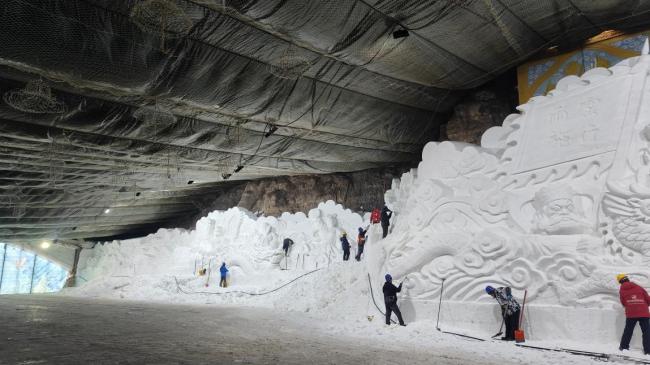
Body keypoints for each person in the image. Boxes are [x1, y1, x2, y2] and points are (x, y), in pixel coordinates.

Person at [617, 274, 650, 354]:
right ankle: (648, 351)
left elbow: (623, 303)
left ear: (620, 282)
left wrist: (631, 305)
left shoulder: (622, 290)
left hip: (631, 313)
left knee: (628, 330)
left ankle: (623, 347)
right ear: (627, 279)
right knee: (647, 332)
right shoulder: (638, 287)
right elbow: (648, 300)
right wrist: (643, 305)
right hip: (643, 312)